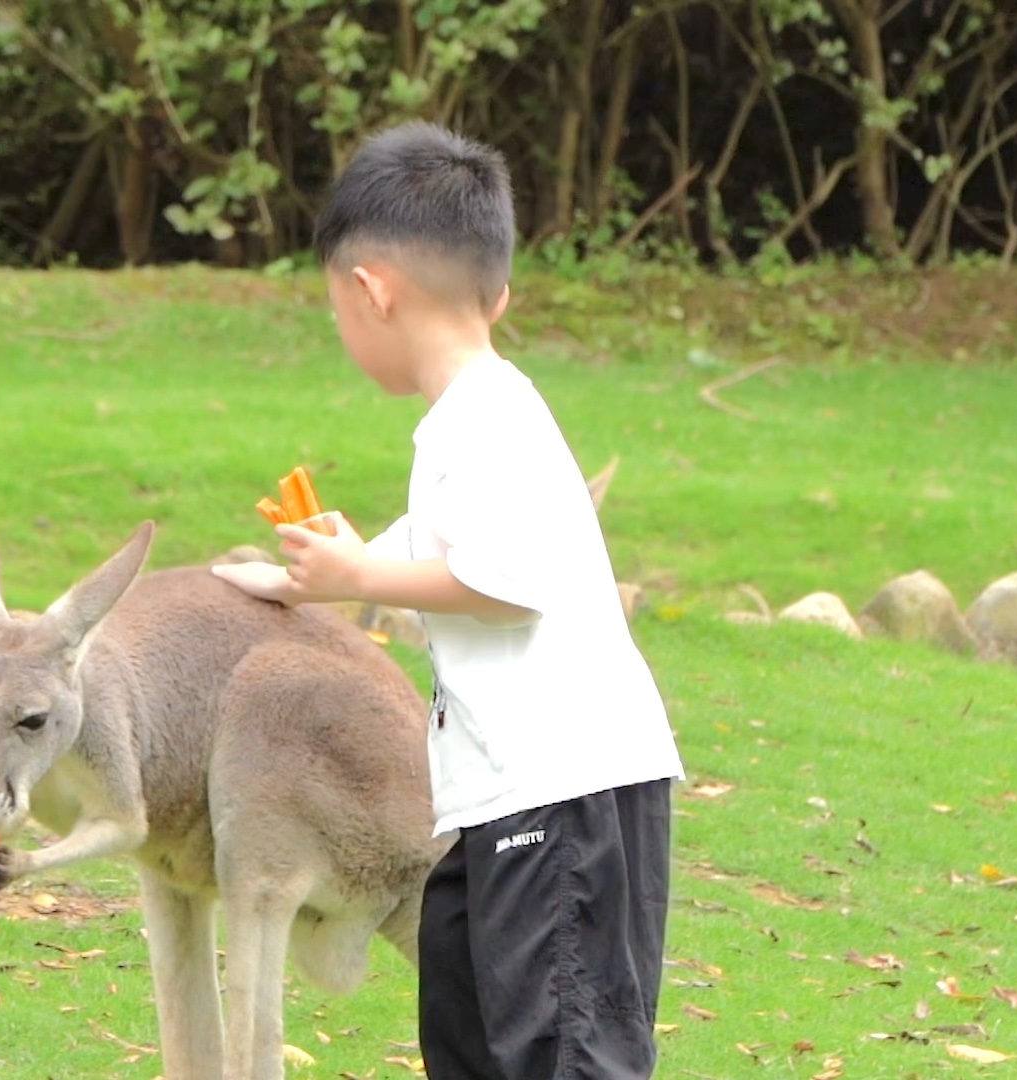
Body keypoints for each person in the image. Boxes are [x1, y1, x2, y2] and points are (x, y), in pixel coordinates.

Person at [210, 120, 685, 1079]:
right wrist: (309, 578)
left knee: (563, 1054)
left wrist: (358, 580)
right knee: (468, 1027)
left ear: (369, 291)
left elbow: (506, 586)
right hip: (511, 798)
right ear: (495, 290)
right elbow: (433, 543)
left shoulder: (487, 418)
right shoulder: (473, 417)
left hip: (566, 793)